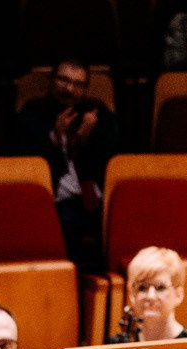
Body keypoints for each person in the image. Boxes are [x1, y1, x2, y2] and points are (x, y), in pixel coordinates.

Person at [11, 59, 119, 273]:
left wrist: (86, 142)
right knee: (65, 221)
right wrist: (53, 139)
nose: (69, 89)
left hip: (93, 199)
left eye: (78, 84)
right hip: (52, 200)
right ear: (51, 82)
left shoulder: (98, 115)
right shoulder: (31, 114)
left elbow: (113, 164)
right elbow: (23, 167)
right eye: (63, 80)